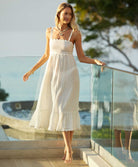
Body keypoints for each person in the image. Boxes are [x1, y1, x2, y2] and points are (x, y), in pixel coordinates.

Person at [23, 2, 105, 164]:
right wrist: (31, 70)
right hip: (53, 75)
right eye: (65, 13)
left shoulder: (75, 34)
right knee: (60, 109)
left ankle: (68, 149)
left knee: (67, 110)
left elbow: (81, 57)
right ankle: (69, 148)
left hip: (70, 76)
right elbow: (46, 55)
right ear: (59, 14)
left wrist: (95, 61)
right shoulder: (49, 31)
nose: (67, 16)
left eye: (70, 14)